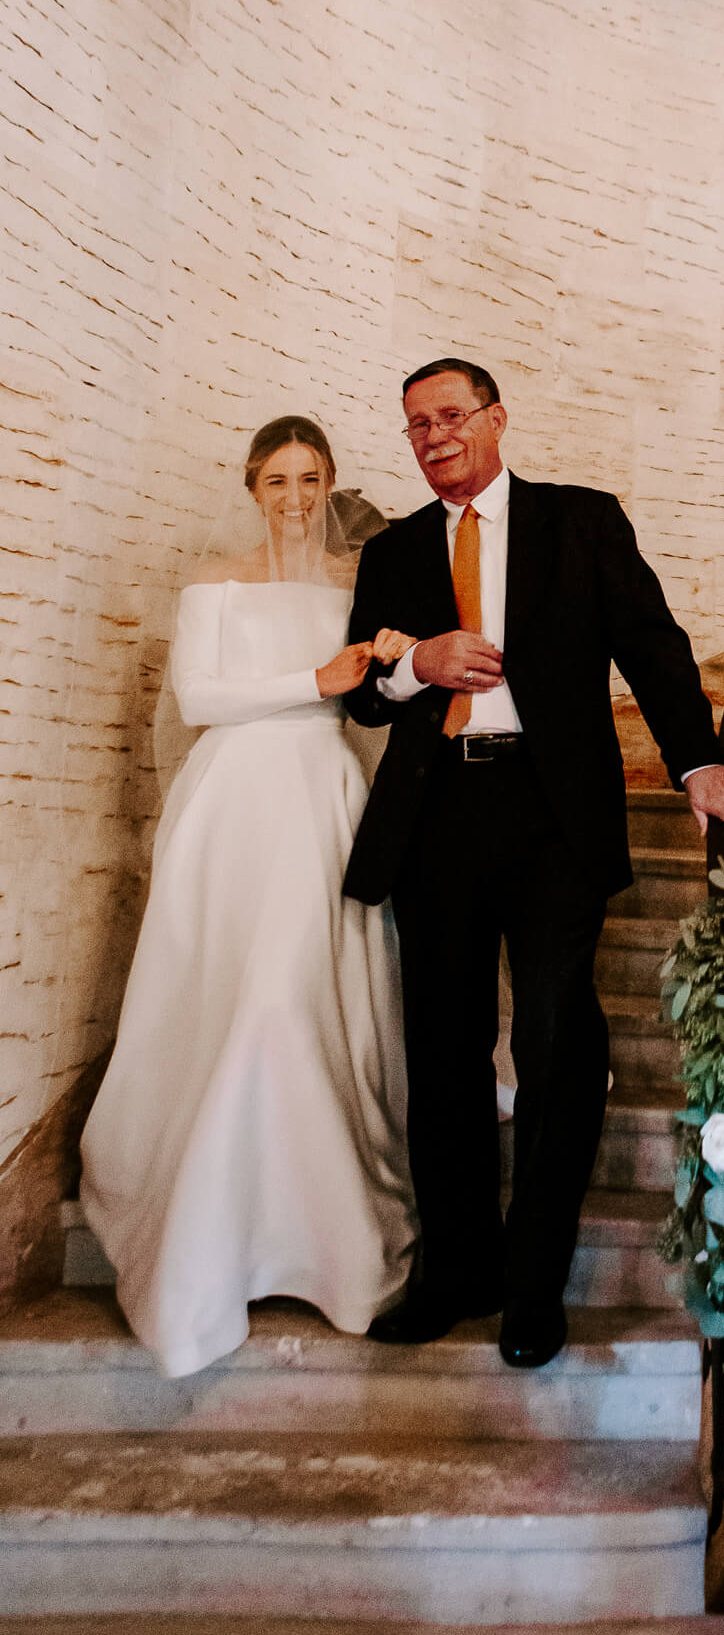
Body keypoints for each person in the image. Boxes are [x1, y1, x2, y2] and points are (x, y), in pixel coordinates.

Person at [344, 357, 724, 1367]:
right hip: (435, 814)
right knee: (442, 1046)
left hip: (553, 813)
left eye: (450, 416)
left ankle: (535, 1281)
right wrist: (414, 665)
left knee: (558, 1048)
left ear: (495, 418)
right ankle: (455, 1270)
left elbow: (653, 645)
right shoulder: (394, 549)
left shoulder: (582, 520)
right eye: (416, 425)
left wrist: (698, 758)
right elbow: (361, 687)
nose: (434, 435)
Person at [79, 417, 417, 1378]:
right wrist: (312, 675)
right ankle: (207, 1219)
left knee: (296, 992)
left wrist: (381, 667)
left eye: (311, 479)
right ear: (252, 485)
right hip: (232, 802)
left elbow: (372, 701)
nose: (296, 496)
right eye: (277, 479)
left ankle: (324, 1230)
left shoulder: (360, 584)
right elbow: (196, 697)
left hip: (320, 795)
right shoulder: (214, 581)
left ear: (331, 484)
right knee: (244, 990)